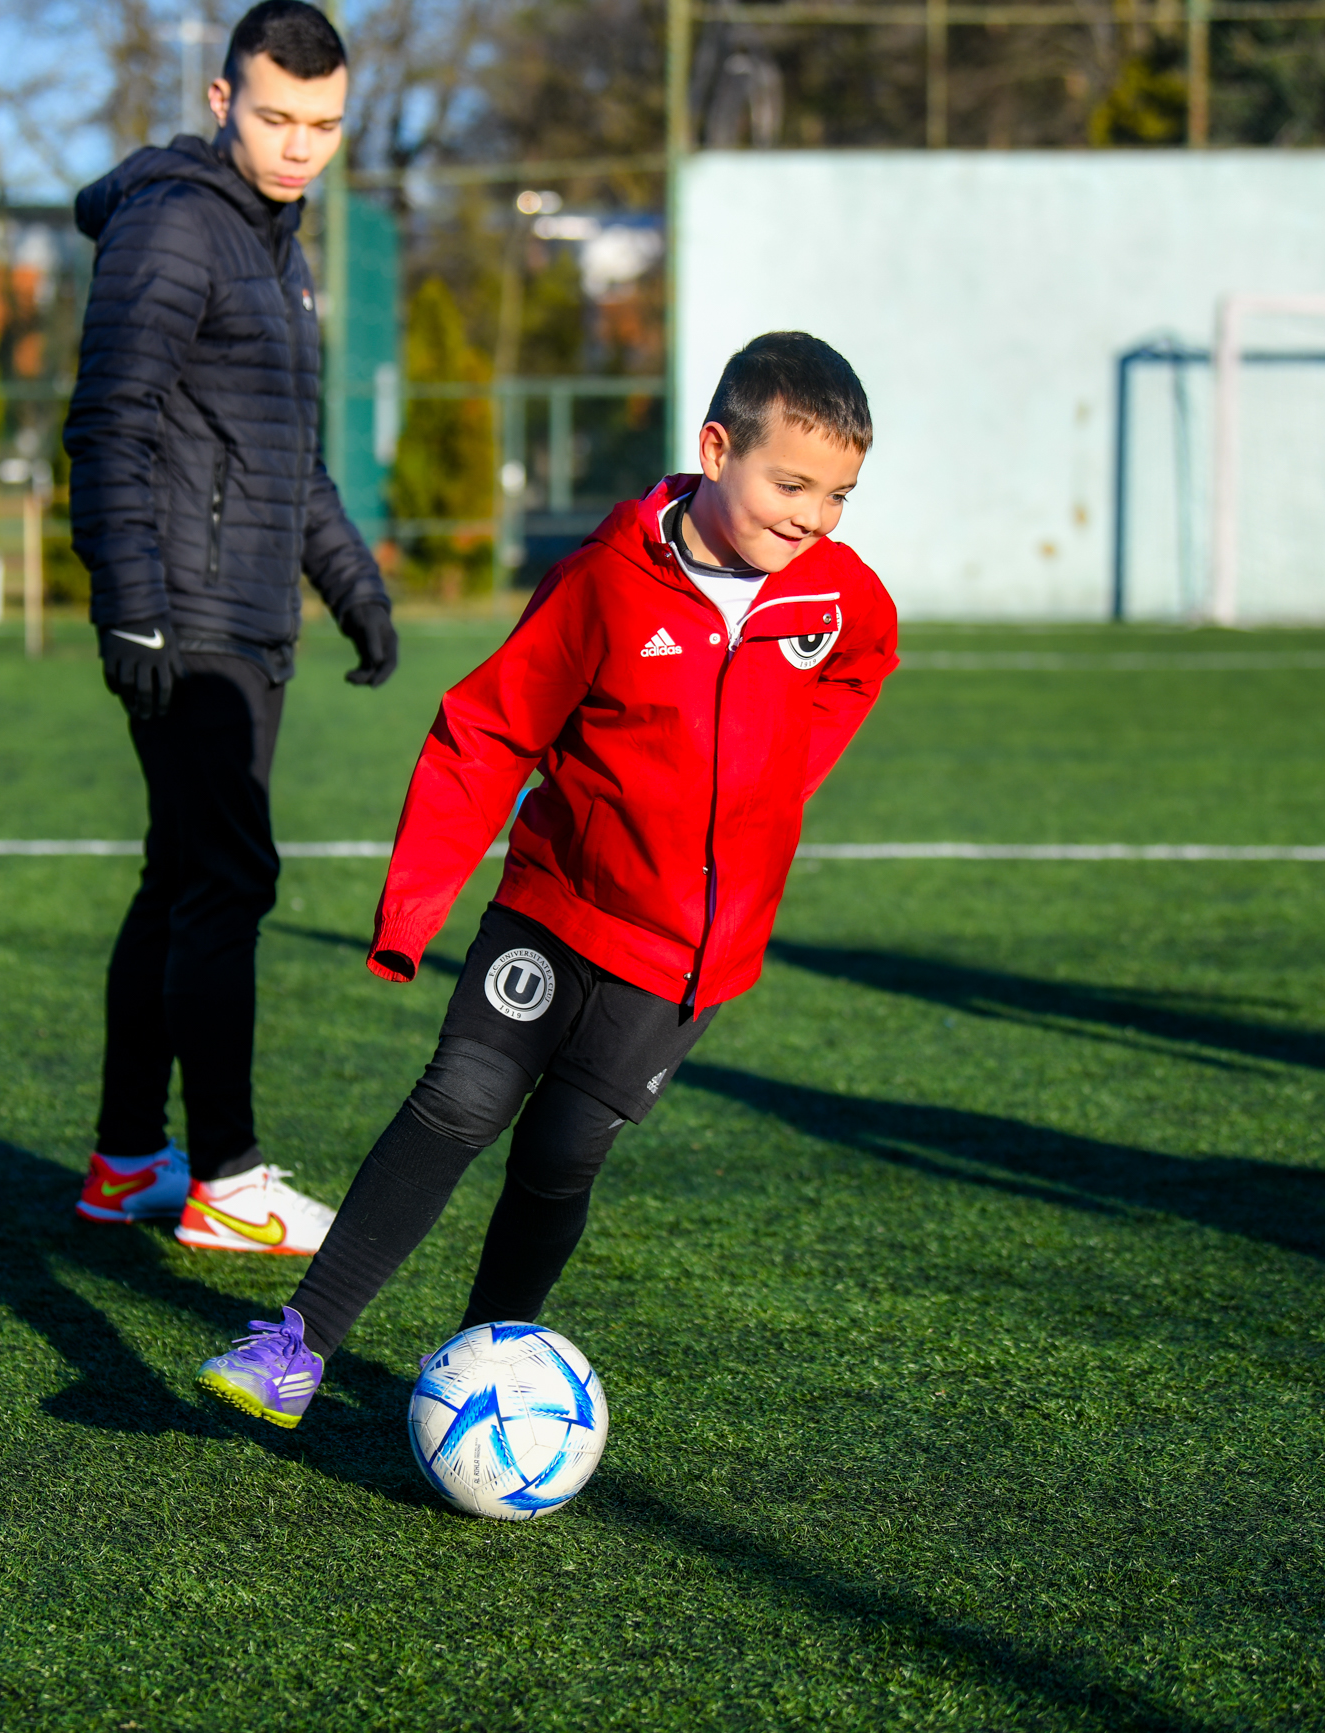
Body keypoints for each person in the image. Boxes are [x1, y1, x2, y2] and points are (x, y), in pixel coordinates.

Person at [195, 332, 899, 1428]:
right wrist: (411, 909)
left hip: (687, 954)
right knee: (458, 1099)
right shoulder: (605, 582)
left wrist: (774, 783)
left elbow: (859, 668)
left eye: (839, 494)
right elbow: (485, 730)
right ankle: (297, 1340)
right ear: (716, 449)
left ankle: (482, 1365)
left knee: (564, 1149)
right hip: (554, 907)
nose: (812, 516)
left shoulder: (838, 598)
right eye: (790, 483)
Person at [63, 0, 397, 1256]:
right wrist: (133, 613)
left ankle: (126, 1160)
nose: (299, 143)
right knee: (227, 877)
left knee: (180, 875)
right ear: (221, 103)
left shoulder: (279, 247)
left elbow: (288, 460)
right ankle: (226, 1178)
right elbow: (109, 424)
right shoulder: (174, 229)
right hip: (188, 623)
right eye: (274, 117)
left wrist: (351, 586)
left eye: (321, 124)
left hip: (255, 623)